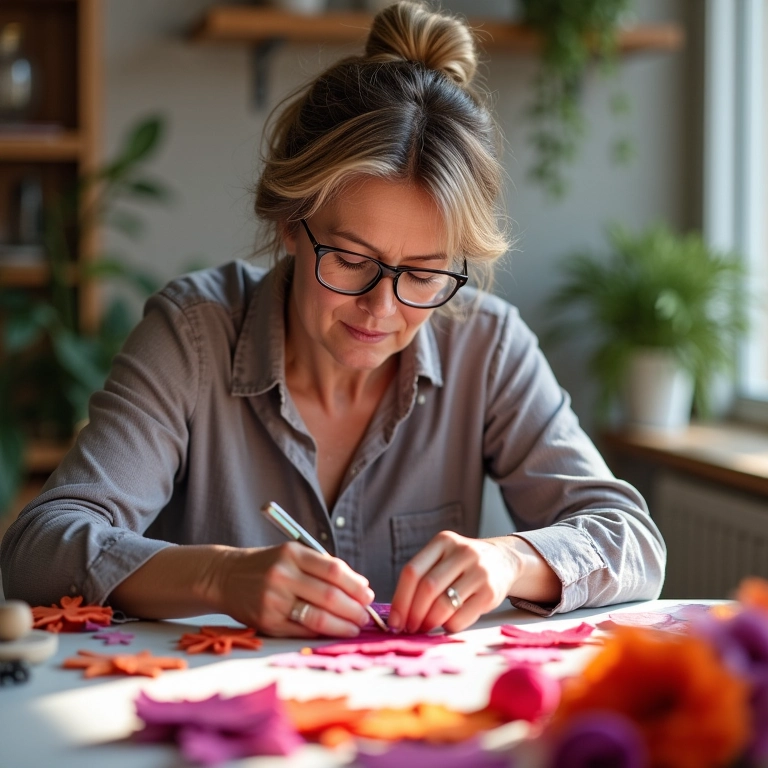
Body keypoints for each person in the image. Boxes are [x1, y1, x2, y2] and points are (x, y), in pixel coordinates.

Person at [0, 1, 665, 638]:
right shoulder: (194, 335)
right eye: (350, 260)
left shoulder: (486, 345)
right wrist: (218, 577)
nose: (383, 307)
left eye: (424, 273)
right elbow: (38, 550)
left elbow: (632, 540)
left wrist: (509, 559)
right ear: (291, 224)